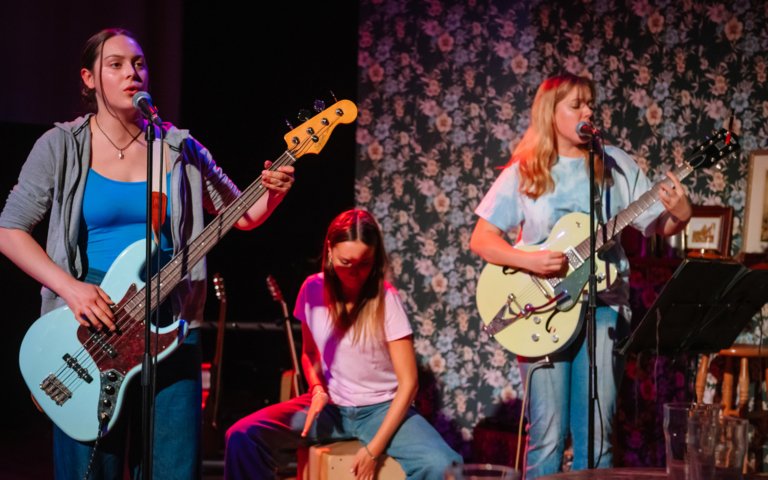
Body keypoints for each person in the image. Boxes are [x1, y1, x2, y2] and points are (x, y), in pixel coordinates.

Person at [0, 28, 295, 479]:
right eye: (115, 64)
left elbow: (243, 214)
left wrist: (271, 192)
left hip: (169, 321)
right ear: (89, 78)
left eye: (138, 64)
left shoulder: (178, 147)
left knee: (173, 469)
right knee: (91, 468)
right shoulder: (61, 145)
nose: (131, 73)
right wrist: (72, 290)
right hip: (90, 322)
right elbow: (10, 230)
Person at [469, 73, 692, 478]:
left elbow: (656, 226)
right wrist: (531, 262)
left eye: (590, 103)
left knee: (598, 437)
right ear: (550, 113)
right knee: (548, 436)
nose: (588, 111)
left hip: (603, 308)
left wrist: (680, 215)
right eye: (576, 105)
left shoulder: (615, 164)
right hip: (542, 308)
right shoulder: (527, 170)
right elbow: (482, 240)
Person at [225, 209, 462, 480]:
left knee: (444, 464)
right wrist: (316, 389)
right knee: (243, 437)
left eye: (364, 263)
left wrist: (373, 451)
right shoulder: (311, 290)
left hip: (381, 409)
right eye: (345, 262)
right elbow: (310, 354)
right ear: (329, 250)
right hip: (331, 408)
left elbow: (409, 384)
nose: (355, 272)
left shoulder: (386, 299)